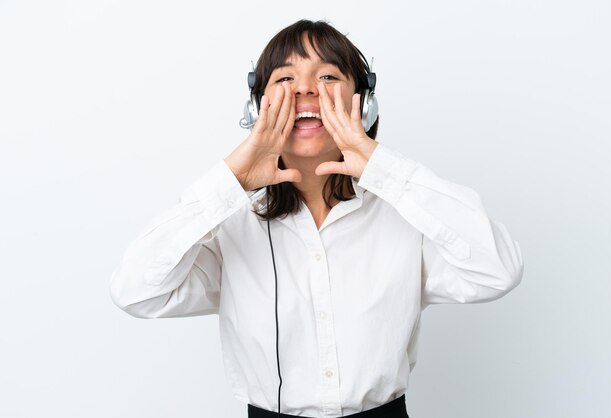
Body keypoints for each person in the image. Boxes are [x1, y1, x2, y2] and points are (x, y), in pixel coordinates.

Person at [109, 19, 524, 418]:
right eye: (285, 78)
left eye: (327, 77)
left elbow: (498, 271)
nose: (305, 89)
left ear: (364, 105)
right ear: (257, 107)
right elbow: (135, 291)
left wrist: (387, 170)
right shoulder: (230, 225)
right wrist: (231, 179)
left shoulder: (406, 214)